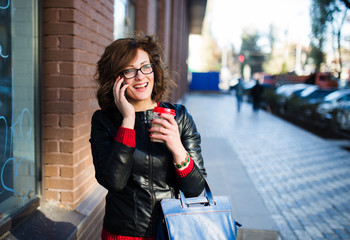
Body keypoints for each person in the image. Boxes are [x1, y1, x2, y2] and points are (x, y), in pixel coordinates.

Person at [90, 34, 207, 240]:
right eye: (129, 70)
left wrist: (176, 146)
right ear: (115, 78)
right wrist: (127, 120)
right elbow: (113, 181)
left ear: (154, 69)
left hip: (172, 231)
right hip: (122, 234)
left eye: (146, 67)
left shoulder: (179, 117)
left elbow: (196, 190)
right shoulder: (104, 121)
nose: (140, 77)